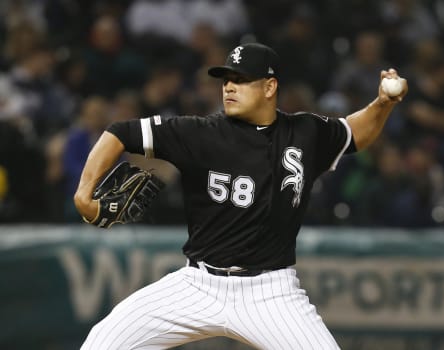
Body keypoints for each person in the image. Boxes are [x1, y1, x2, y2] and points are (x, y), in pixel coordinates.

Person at [74, 43, 407, 349]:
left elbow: (354, 134)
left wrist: (383, 103)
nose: (229, 87)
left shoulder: (305, 132)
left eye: (242, 79)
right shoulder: (200, 133)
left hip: (271, 293)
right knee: (100, 344)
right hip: (197, 284)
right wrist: (84, 194)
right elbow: (119, 133)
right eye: (226, 79)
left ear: (269, 87)